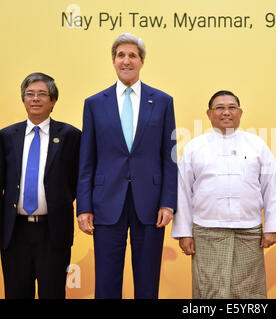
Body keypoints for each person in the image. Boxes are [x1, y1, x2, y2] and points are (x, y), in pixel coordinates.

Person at [76, 33, 177, 299]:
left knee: (147, 283)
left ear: (142, 61)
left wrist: (168, 202)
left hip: (151, 204)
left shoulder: (164, 101)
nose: (126, 60)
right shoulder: (95, 103)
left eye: (132, 55)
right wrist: (84, 206)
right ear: (113, 61)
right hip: (106, 202)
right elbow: (87, 160)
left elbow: (170, 157)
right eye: (121, 55)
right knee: (106, 283)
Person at [172, 90, 276, 299]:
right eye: (220, 108)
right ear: (209, 113)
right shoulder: (195, 147)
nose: (226, 112)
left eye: (232, 107)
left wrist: (273, 227)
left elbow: (272, 188)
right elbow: (182, 191)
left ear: (240, 112)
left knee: (249, 293)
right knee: (209, 292)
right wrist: (184, 232)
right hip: (206, 232)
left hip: (249, 232)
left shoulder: (257, 145)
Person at [0, 72, 81, 298]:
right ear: (24, 99)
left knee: (53, 293)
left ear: (53, 100)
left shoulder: (71, 136)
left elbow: (78, 180)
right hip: (14, 233)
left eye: (42, 94)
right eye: (30, 94)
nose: (35, 99)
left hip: (53, 231)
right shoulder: (6, 136)